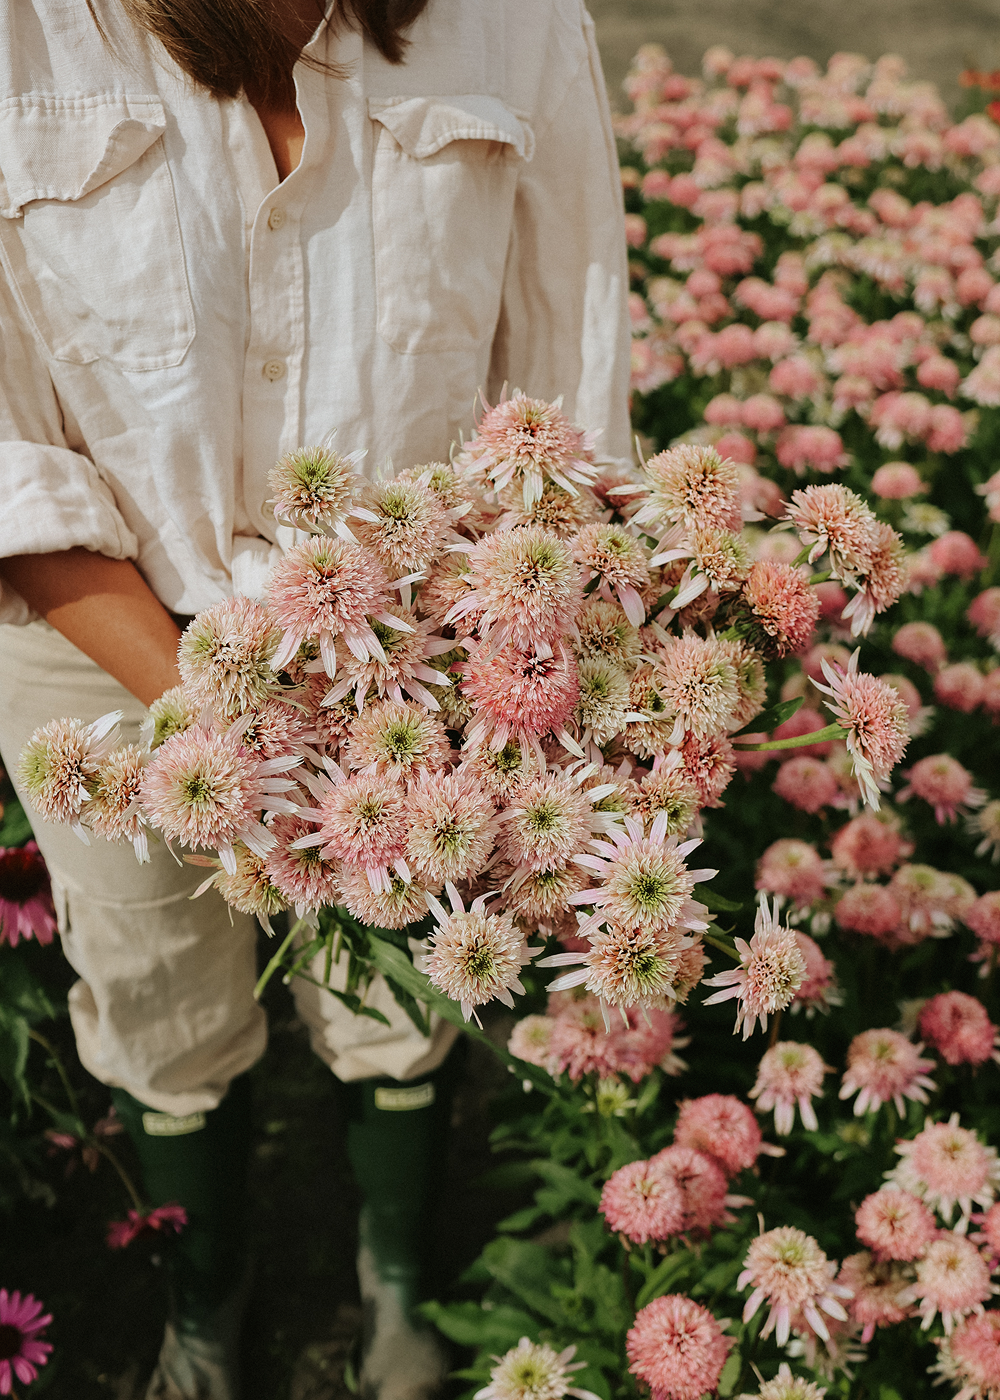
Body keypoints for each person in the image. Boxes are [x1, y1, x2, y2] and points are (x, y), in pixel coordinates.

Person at [0, 0, 631, 1395]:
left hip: (423, 635)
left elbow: (564, 376)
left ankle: (395, 1274)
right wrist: (228, 713)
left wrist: (507, 666)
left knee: (413, 962)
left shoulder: (515, 27)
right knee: (156, 978)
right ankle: (205, 1288)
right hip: (91, 625)